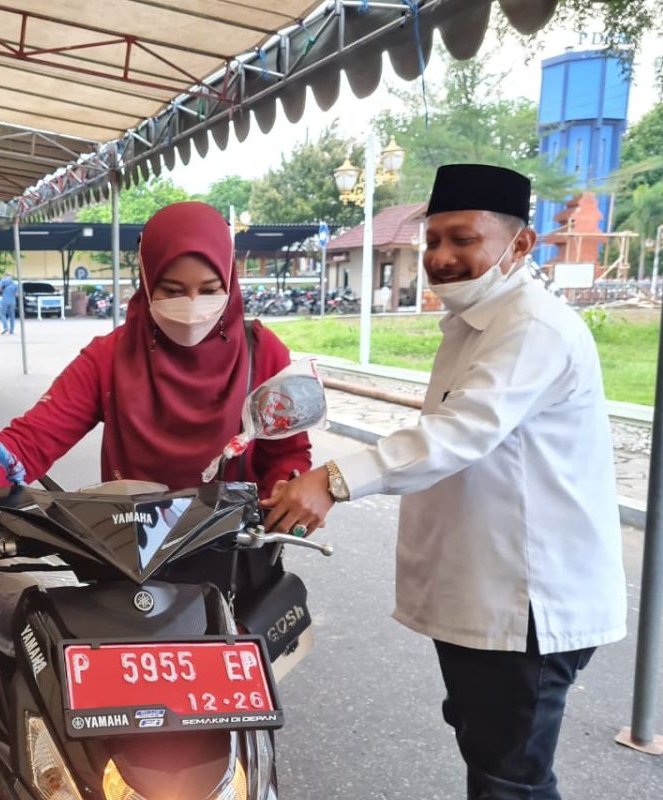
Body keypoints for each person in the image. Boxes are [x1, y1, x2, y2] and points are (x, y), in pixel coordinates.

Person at [263, 164, 627, 800]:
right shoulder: (472, 324)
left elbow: (460, 432)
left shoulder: (532, 329)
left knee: (509, 781)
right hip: (489, 595)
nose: (442, 257)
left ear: (520, 244)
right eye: (433, 241)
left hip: (528, 608)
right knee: (494, 760)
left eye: (463, 239)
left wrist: (333, 478)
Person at [0, 201, 310, 557]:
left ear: (230, 283)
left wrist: (287, 486)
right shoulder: (110, 357)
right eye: (172, 291)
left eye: (209, 290)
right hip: (132, 560)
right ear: (146, 281)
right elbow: (34, 437)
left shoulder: (263, 352)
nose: (193, 307)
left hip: (238, 557)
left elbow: (288, 453)